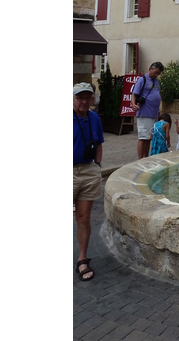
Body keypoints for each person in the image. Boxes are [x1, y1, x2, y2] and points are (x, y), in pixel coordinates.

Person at [73, 82, 105, 282]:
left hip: (88, 171)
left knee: (84, 218)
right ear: (73, 98)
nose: (84, 101)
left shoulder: (94, 118)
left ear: (92, 99)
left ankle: (82, 259)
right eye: (80, 97)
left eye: (87, 97)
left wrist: (98, 166)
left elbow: (99, 143)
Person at [130, 62, 164, 159]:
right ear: (151, 69)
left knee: (149, 138)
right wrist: (133, 104)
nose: (156, 75)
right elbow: (134, 94)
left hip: (153, 114)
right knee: (142, 137)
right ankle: (140, 159)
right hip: (144, 113)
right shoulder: (142, 80)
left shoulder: (157, 82)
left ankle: (146, 158)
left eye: (158, 73)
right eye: (156, 72)